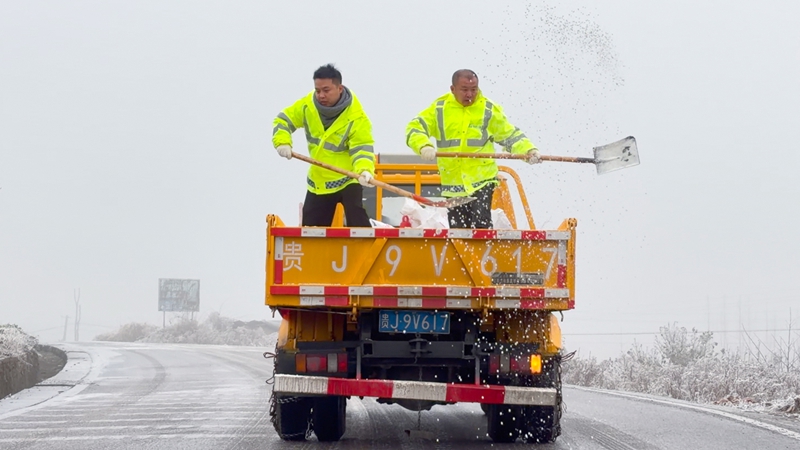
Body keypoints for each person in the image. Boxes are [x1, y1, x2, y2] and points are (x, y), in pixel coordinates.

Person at [405, 69, 541, 229]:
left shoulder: (488, 110)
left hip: (482, 180)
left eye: (473, 89)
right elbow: (414, 128)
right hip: (453, 183)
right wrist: (424, 146)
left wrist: (528, 151)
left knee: (481, 225)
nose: (470, 94)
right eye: (464, 90)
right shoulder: (439, 109)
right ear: (452, 89)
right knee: (458, 231)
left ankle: (483, 252)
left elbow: (510, 135)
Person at [272, 64, 375, 227]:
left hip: (348, 178)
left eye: (326, 90)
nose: (321, 95)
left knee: (358, 222)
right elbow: (282, 120)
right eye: (317, 90)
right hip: (319, 181)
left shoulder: (357, 117)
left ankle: (366, 250)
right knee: (310, 231)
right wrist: (282, 142)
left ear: (339, 88)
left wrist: (365, 170)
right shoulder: (307, 106)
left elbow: (362, 149)